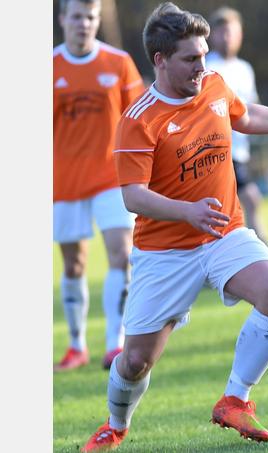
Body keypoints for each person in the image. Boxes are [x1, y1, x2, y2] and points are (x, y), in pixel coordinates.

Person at [80, 3, 268, 451]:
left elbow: (246, 116)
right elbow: (132, 196)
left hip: (223, 232)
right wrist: (187, 211)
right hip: (164, 252)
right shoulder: (139, 119)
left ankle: (235, 398)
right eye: (191, 58)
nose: (203, 65)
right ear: (160, 59)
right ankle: (115, 426)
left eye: (204, 54)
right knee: (136, 361)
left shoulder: (214, 84)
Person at [53, 0, 145, 372]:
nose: (84, 23)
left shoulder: (119, 62)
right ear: (63, 20)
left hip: (111, 178)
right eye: (77, 16)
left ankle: (114, 343)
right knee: (74, 265)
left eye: (91, 17)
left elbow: (139, 118)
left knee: (121, 255)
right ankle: (76, 345)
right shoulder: (48, 67)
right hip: (64, 181)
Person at [206, 6, 268, 279]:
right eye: (222, 32)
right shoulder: (207, 67)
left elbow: (252, 109)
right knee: (247, 201)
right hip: (215, 153)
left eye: (233, 32)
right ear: (213, 36)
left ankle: (250, 263)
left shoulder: (243, 69)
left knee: (236, 207)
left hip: (239, 152)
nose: (228, 38)